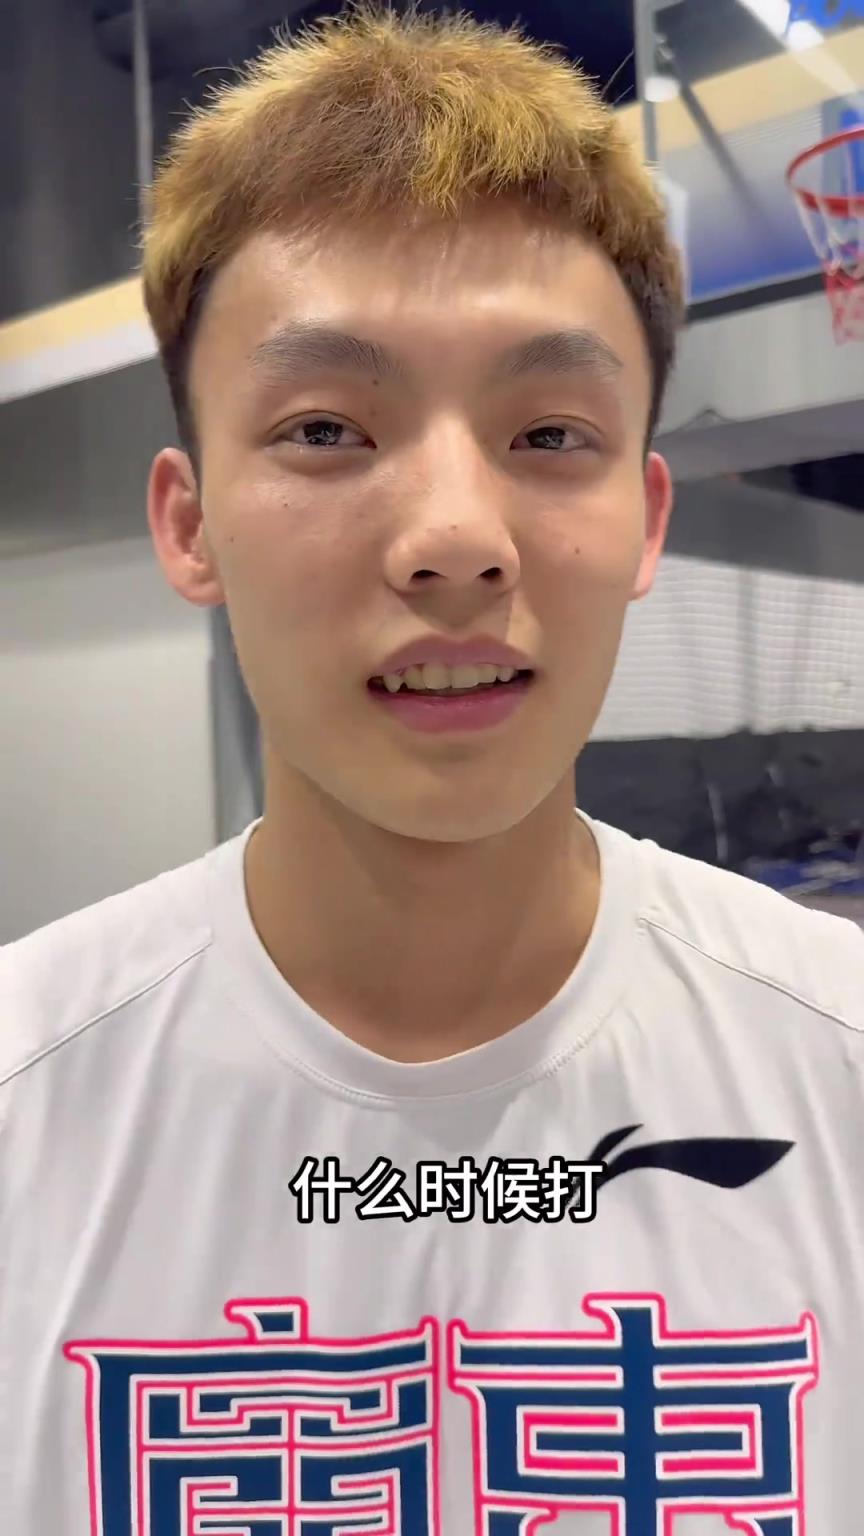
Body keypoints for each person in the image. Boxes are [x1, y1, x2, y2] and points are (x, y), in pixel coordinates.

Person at [1, 3, 862, 1531]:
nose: (457, 538)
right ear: (191, 524)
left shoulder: (837, 1064)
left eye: (551, 435)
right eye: (328, 428)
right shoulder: (27, 1101)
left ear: (648, 518)